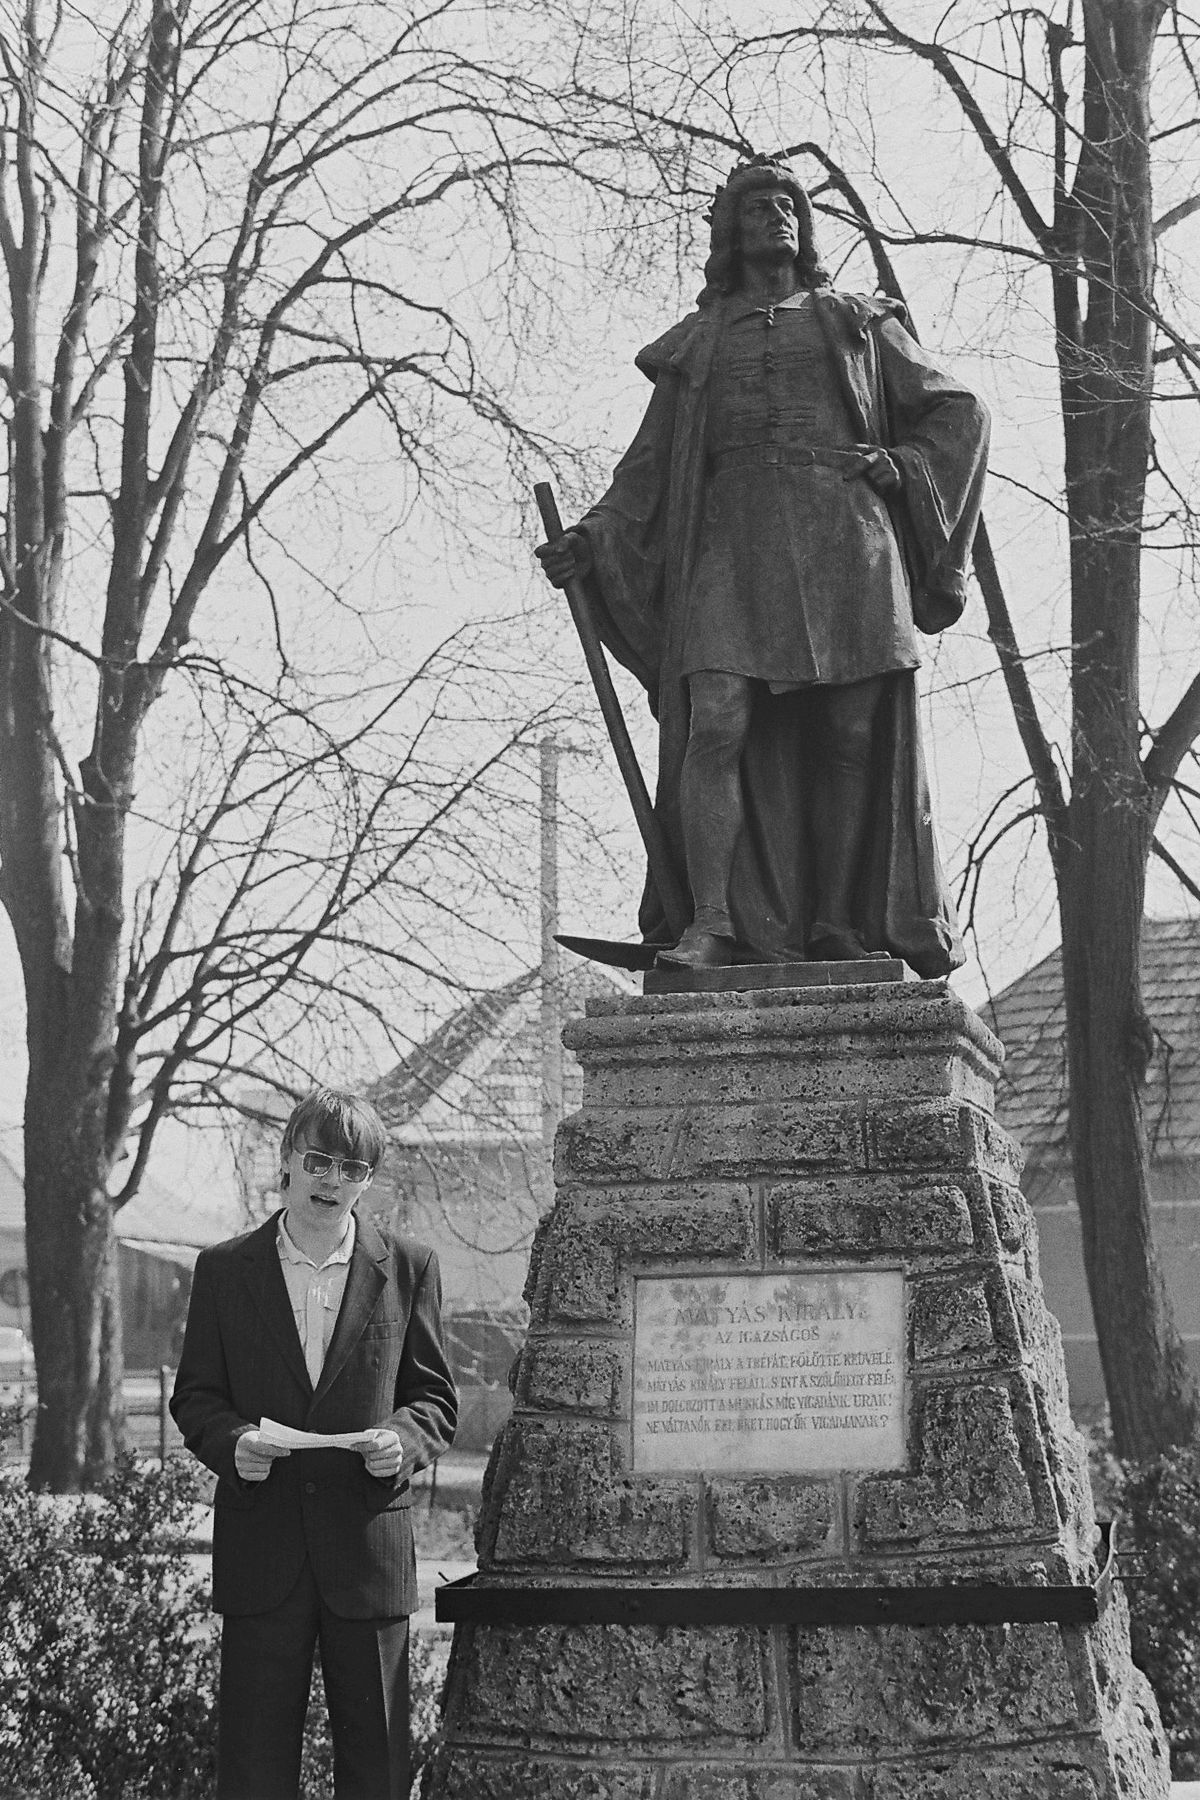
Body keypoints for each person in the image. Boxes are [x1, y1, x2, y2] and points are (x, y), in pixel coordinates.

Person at [537, 155, 989, 976]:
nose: (776, 216)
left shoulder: (855, 321)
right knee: (715, 719)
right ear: (730, 234)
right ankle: (709, 921)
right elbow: (647, 467)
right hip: (732, 545)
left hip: (848, 540)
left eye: (788, 205)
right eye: (757, 208)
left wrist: (904, 465)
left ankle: (836, 923)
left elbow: (960, 411)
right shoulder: (701, 342)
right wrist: (594, 538)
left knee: (849, 734)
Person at [171, 1087, 457, 1800]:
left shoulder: (410, 1268)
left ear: (367, 1180)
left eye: (352, 1169)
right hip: (262, 1552)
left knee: (378, 1772)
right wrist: (233, 1442)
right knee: (254, 1775)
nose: (333, 1181)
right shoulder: (224, 1269)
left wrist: (402, 1442)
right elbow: (196, 1396)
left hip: (367, 1552)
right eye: (320, 1162)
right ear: (288, 1160)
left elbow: (434, 1401)